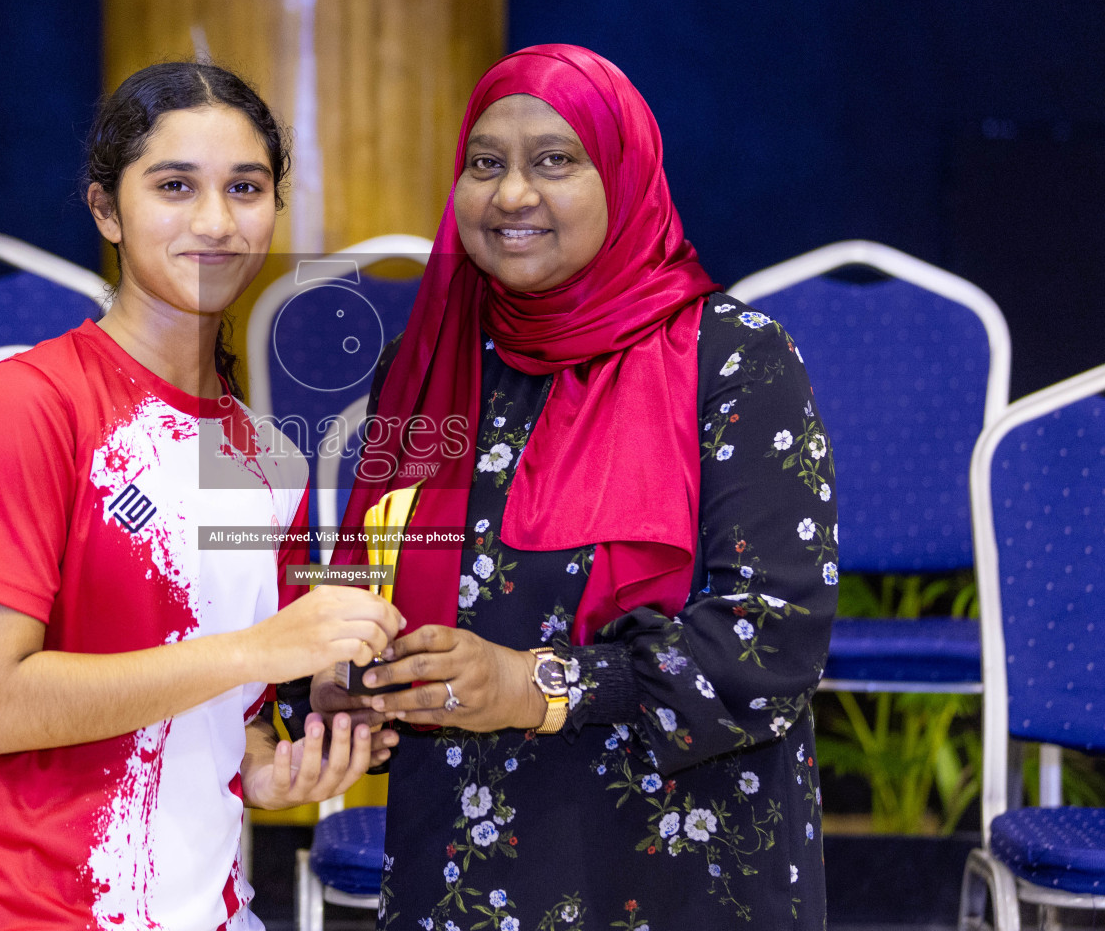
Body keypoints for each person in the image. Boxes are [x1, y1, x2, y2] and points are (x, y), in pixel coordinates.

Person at [305, 45, 838, 929]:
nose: (512, 194)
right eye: (486, 165)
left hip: (680, 849)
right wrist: (327, 671)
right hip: (466, 860)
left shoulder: (732, 358)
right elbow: (365, 569)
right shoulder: (428, 362)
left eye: (555, 160)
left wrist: (535, 684)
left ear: (624, 178)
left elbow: (771, 637)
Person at [0, 62, 404, 930]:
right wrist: (261, 649)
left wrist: (268, 772)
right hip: (8, 905)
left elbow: (215, 712)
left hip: (199, 907)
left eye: (245, 187)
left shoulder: (263, 457)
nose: (214, 221)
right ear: (105, 211)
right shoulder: (26, 404)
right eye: (174, 186)